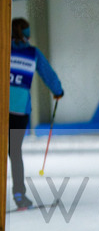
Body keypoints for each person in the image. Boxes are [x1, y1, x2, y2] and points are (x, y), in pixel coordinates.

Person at [9, 17, 63, 210]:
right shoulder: (33, 53)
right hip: (19, 110)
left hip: (2, 108)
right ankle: (19, 196)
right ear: (28, 35)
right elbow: (47, 74)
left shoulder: (4, 49)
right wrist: (58, 92)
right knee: (14, 152)